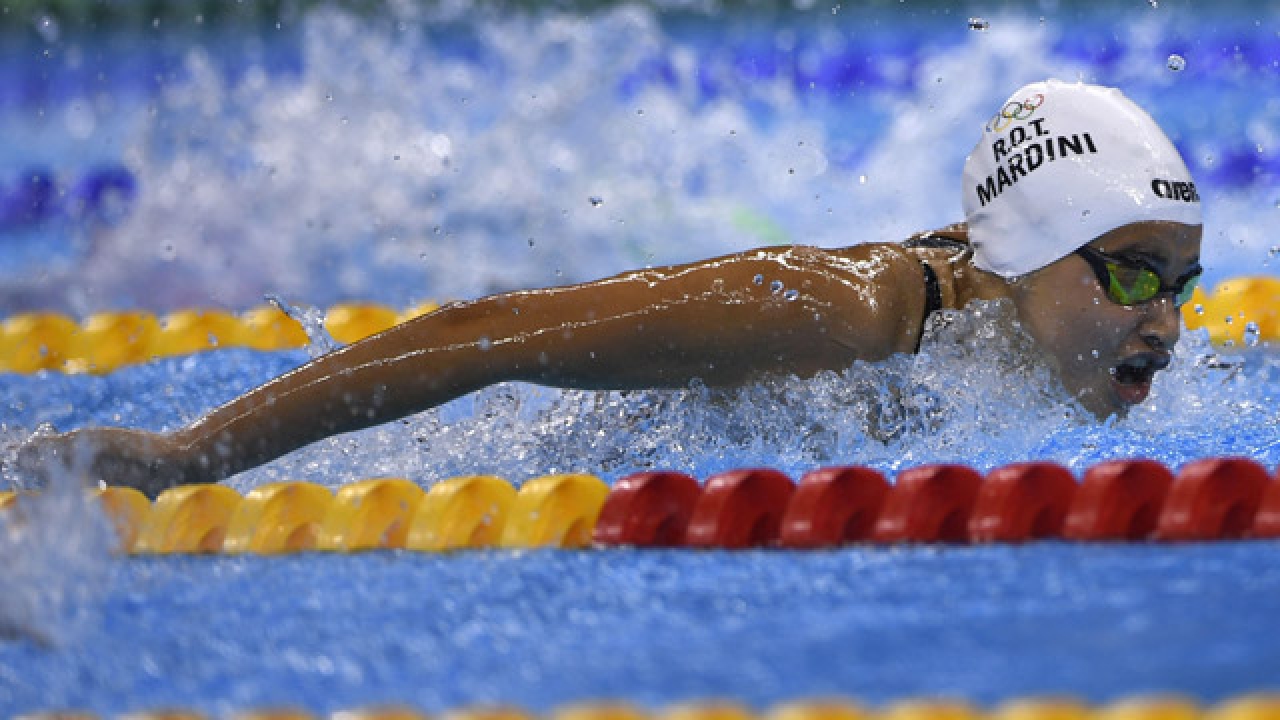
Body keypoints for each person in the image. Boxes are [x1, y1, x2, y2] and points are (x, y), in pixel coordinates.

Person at [12, 79, 1203, 498]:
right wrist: (191, 457)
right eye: (1136, 272)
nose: (1166, 317)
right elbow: (485, 334)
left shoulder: (1045, 358)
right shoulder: (836, 312)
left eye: (1185, 285)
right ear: (1027, 251)